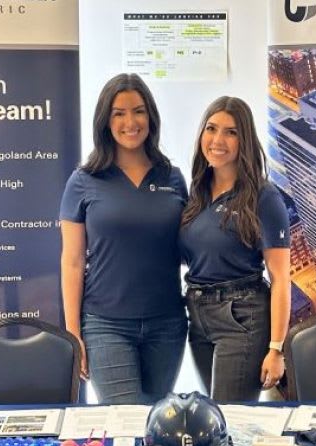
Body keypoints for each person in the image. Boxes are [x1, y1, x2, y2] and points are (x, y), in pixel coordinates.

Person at [59, 73, 188, 404]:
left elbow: (189, 246)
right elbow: (72, 261)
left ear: (151, 117)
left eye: (138, 111)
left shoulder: (172, 177)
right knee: (124, 422)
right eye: (119, 113)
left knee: (159, 421)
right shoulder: (83, 181)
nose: (130, 122)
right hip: (106, 325)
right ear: (105, 121)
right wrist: (73, 332)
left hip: (168, 324)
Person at [179, 96, 291, 402]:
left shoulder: (263, 197)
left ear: (245, 141)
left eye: (231, 132)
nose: (218, 140)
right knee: (214, 417)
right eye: (211, 129)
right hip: (197, 315)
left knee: (232, 419)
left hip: (242, 316)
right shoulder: (197, 192)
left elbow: (281, 278)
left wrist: (276, 349)